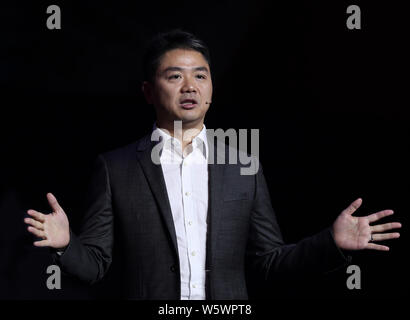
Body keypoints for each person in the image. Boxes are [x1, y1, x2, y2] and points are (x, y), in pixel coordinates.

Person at [24, 29, 402, 300]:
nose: (190, 86)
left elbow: (269, 262)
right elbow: (95, 265)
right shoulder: (115, 167)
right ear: (149, 91)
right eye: (175, 76)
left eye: (200, 76)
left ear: (211, 89)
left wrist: (330, 244)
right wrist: (65, 245)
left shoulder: (242, 165)